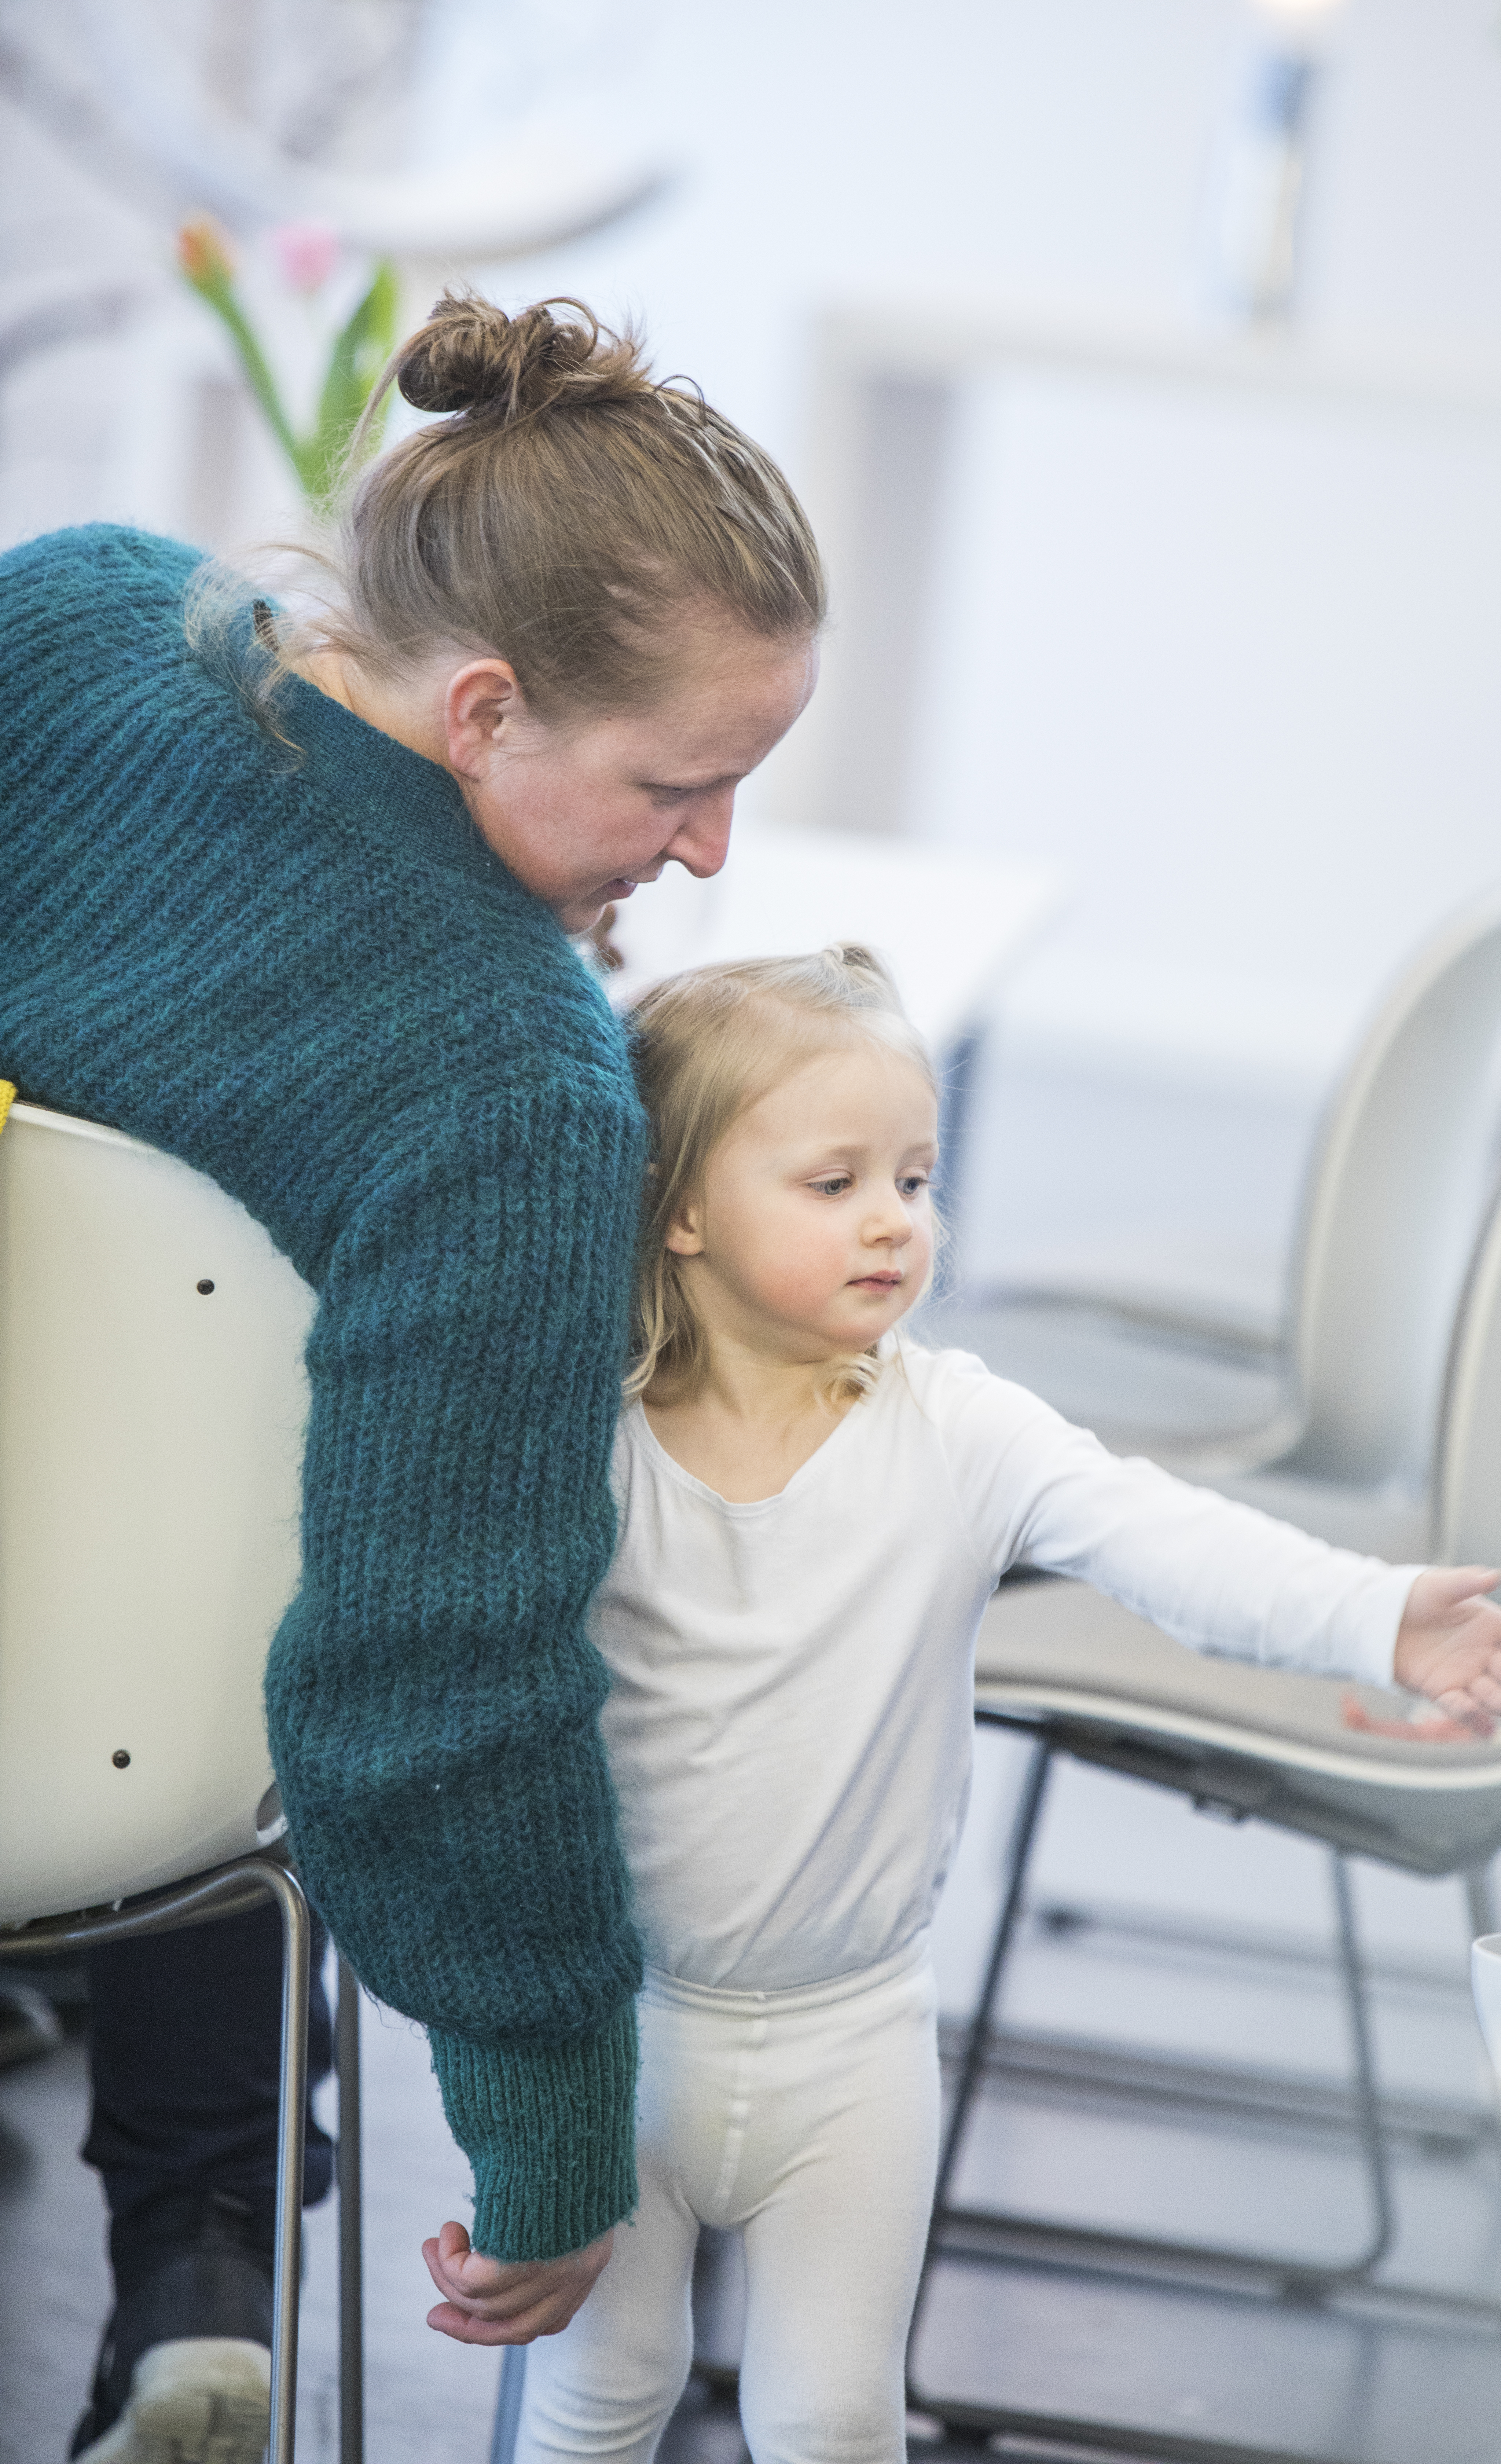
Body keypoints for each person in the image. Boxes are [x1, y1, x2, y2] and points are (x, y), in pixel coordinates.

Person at [0, 293, 823, 2464]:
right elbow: (431, 1678)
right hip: (121, 1764)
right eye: (684, 783)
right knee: (249, 1628)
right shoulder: (520, 1085)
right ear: (480, 708)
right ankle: (207, 2261)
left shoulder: (64, 618)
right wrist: (557, 2135)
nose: (717, 849)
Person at [506, 943, 1501, 2464]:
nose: (894, 1220)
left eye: (917, 1180)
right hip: (625, 2033)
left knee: (838, 2417)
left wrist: (1376, 1618)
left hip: (852, 2037)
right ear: (677, 1209)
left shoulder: (964, 1433)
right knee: (600, 2395)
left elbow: (1172, 1543)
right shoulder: (583, 1450)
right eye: (834, 1183)